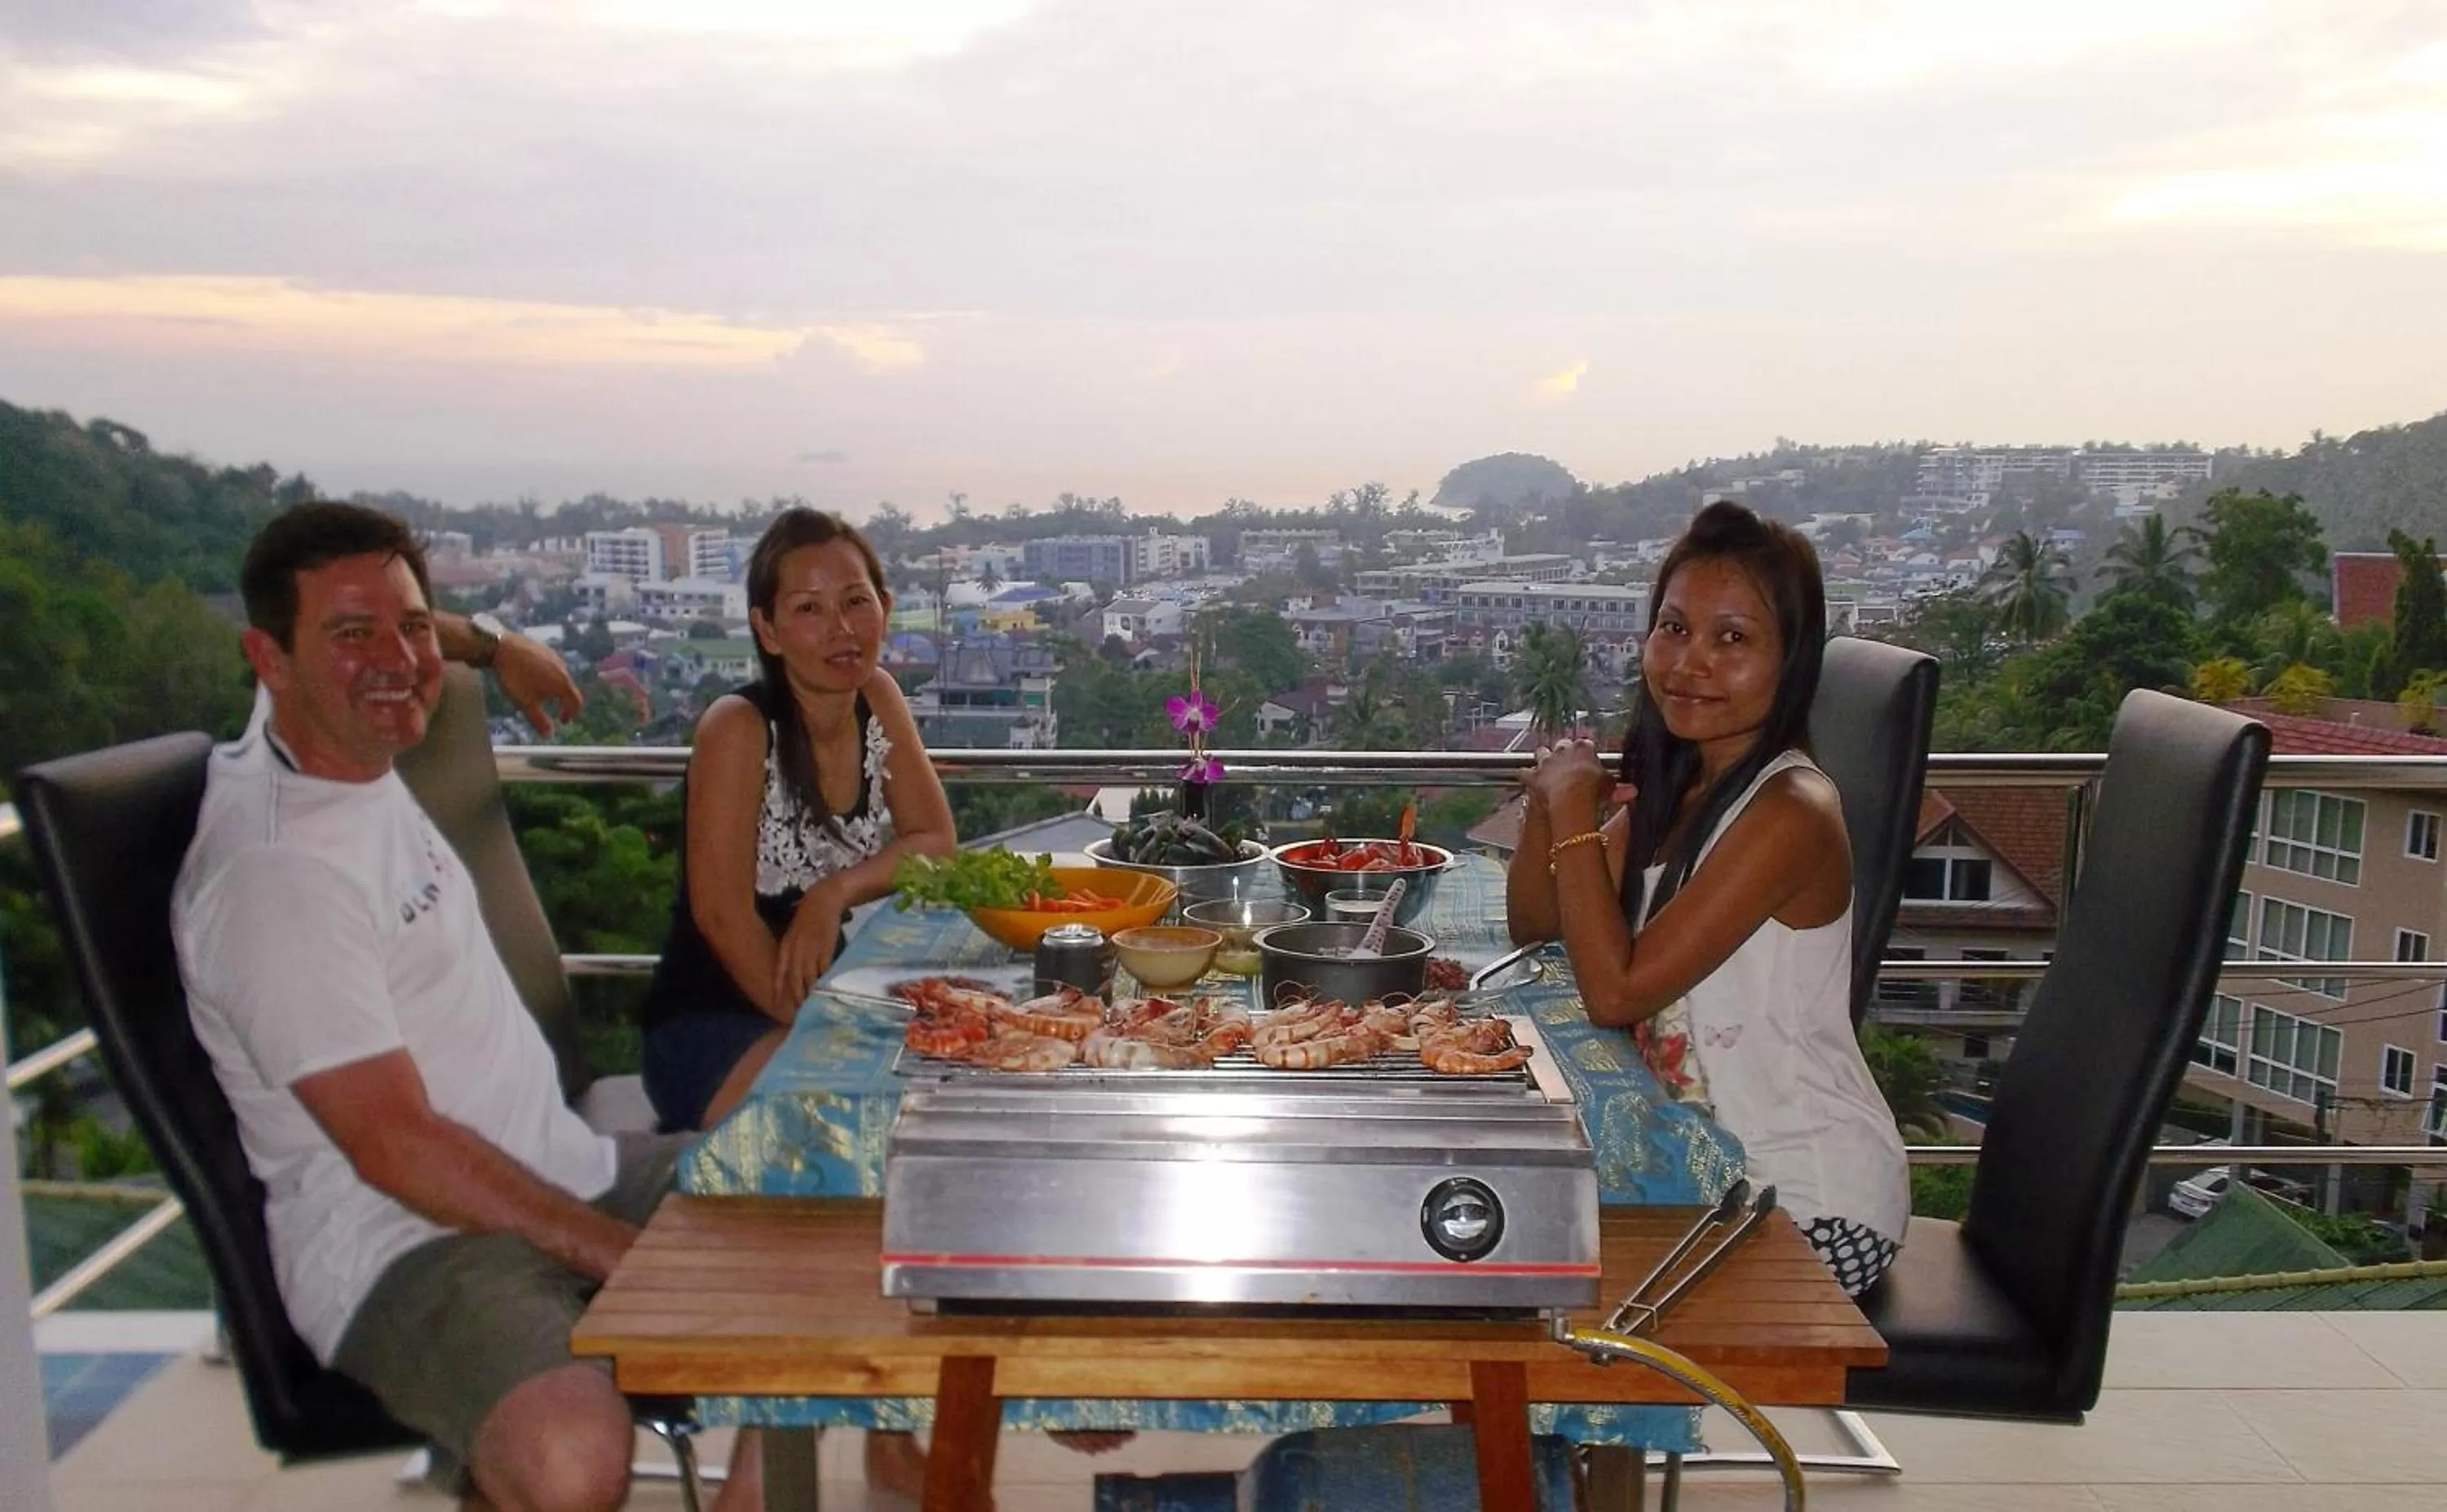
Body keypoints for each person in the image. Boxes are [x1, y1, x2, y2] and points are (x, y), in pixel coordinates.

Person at [171, 502, 762, 1512]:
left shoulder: (331, 736)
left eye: (411, 627)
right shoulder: (279, 874)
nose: (398, 660)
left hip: (557, 1165)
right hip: (405, 1241)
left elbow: (379, 632)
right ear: (268, 661)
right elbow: (396, 1147)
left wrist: (491, 644)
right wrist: (616, 1254)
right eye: (352, 637)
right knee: (572, 1458)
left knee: (833, 1199)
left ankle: (757, 1498)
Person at [1505, 500, 1909, 1296]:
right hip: (1705, 1173)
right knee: (1494, 1235)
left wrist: (1579, 812)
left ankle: (1562, 1422)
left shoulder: (1790, 809)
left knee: (1528, 1287)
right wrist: (1548, 807)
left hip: (1805, 1202)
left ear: (1792, 662)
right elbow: (1541, 927)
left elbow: (1613, 992)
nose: (1690, 663)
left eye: (1733, 639)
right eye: (1675, 628)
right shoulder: (1683, 789)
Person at [639, 506, 955, 1134]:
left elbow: (936, 841)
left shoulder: (878, 698)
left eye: (855, 601)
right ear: (768, 629)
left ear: (885, 607)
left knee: (957, 1086)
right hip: (715, 1022)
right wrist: (819, 1027)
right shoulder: (737, 728)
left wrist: (833, 893)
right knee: (877, 1127)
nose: (841, 628)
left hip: (823, 992)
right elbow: (722, 916)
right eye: (809, 608)